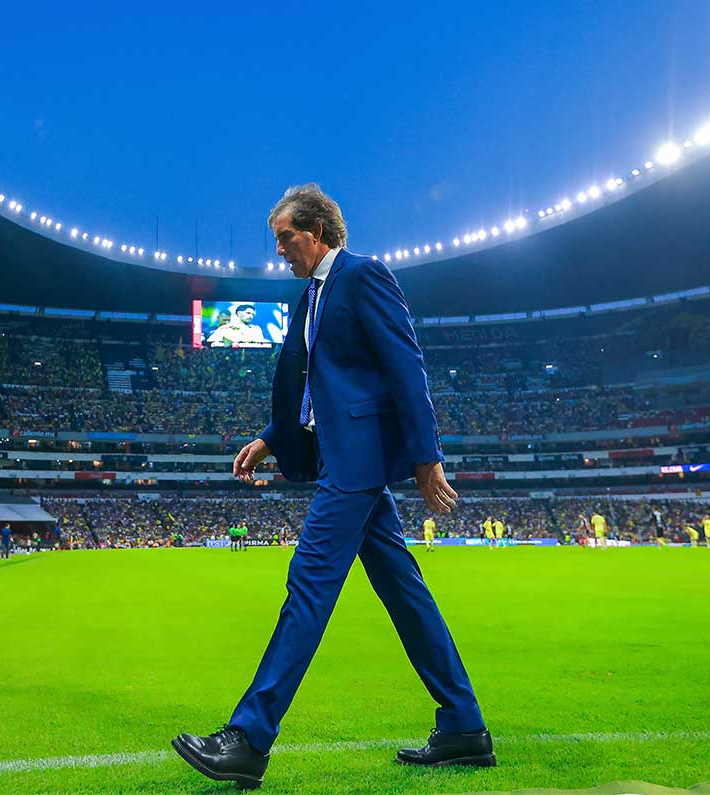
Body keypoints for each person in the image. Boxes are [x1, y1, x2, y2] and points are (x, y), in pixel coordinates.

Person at [172, 185, 491, 788]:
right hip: (340, 458)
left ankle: (249, 736)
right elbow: (313, 387)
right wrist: (271, 437)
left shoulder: (363, 276)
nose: (281, 253)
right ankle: (463, 726)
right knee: (404, 592)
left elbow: (406, 365)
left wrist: (427, 456)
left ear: (316, 231)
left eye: (286, 240)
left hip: (357, 464)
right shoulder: (310, 297)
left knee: (309, 585)